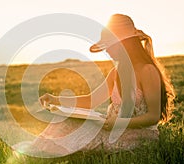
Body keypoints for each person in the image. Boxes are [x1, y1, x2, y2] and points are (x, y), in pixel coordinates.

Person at [18, 14, 175, 156]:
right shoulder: (116, 72)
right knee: (64, 119)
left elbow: (153, 117)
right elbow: (91, 100)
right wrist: (56, 100)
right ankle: (37, 151)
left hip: (138, 135)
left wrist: (119, 123)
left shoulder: (147, 71)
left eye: (109, 44)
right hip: (113, 128)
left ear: (124, 43)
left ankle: (39, 154)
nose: (106, 50)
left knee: (78, 132)